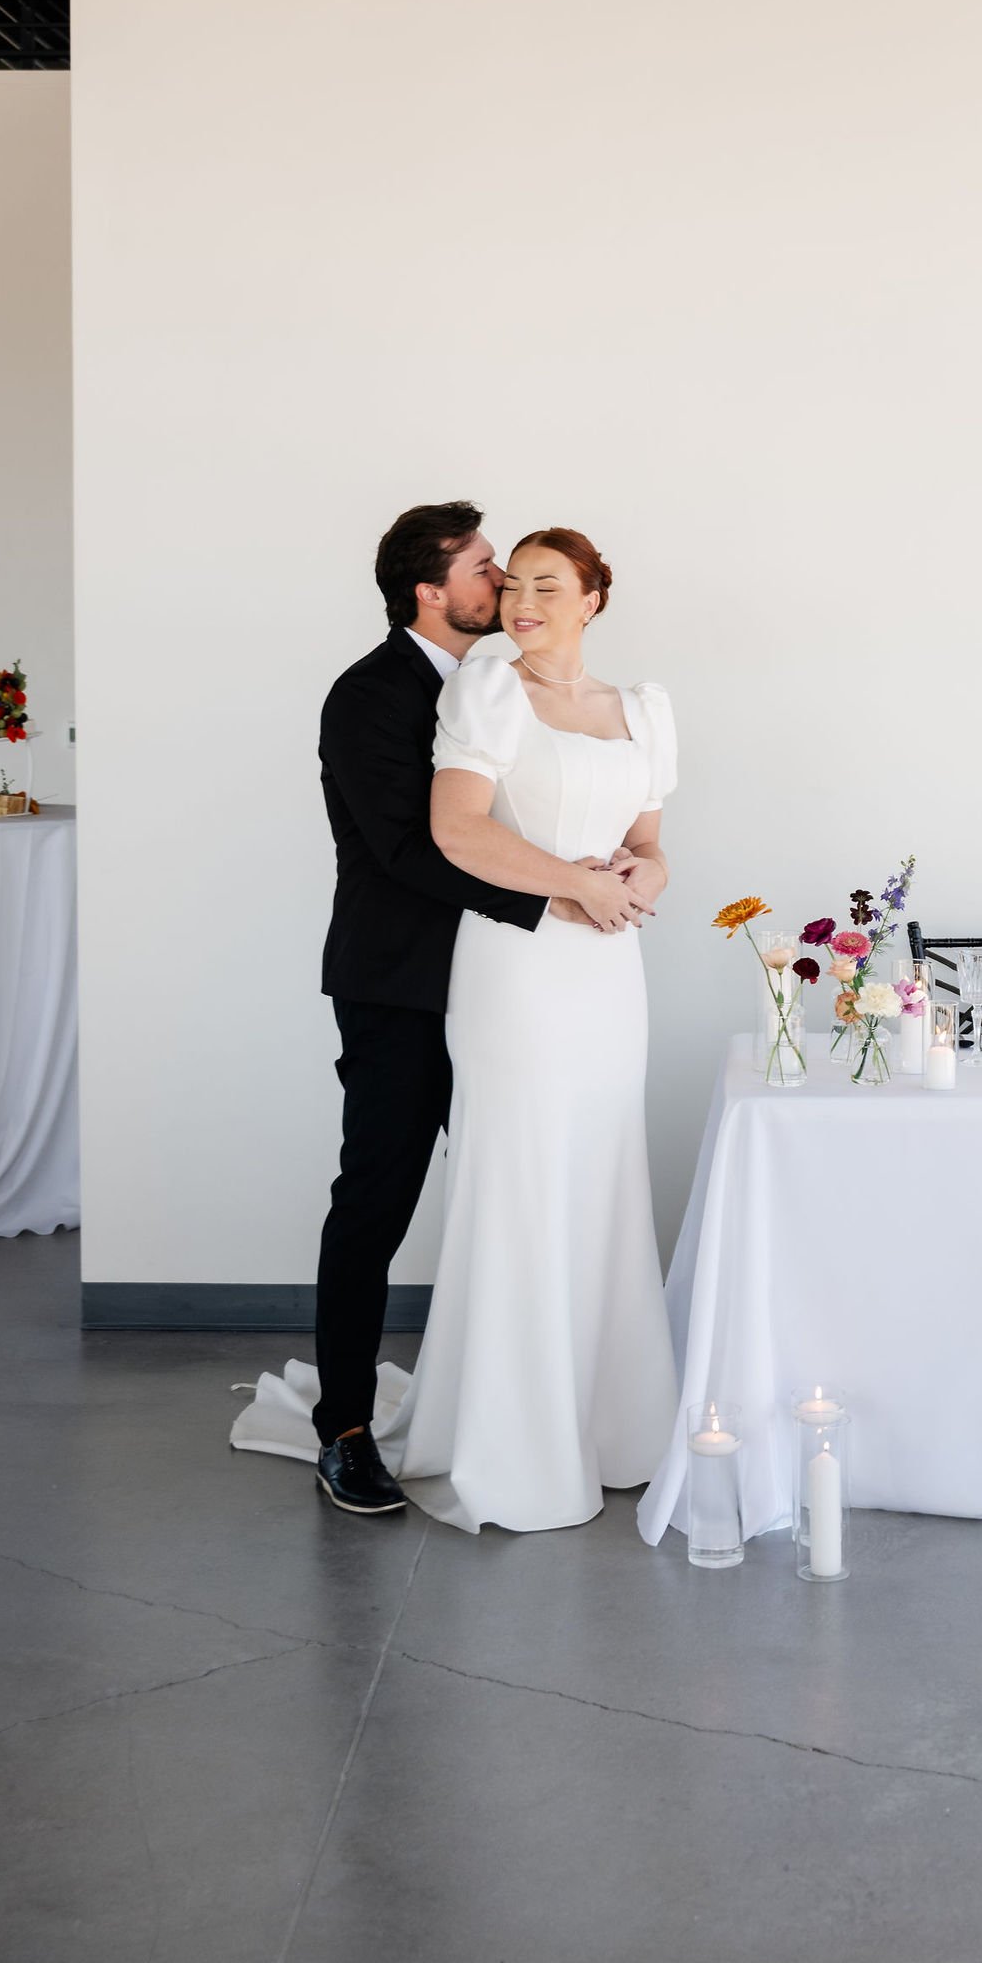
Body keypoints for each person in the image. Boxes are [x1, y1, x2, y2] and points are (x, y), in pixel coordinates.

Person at [230, 503, 640, 1516]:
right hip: (404, 988)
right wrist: (554, 896)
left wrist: (603, 867)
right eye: (484, 570)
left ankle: (536, 1415)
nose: (501, 586)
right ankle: (346, 1430)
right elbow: (411, 850)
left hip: (516, 994)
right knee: (376, 1200)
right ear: (430, 589)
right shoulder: (369, 695)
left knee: (528, 1195)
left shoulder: (508, 685)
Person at [397, 525, 680, 1531]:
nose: (522, 603)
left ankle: (609, 1428)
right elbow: (455, 827)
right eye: (511, 586)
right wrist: (573, 888)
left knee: (601, 1174)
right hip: (516, 964)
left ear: (594, 597)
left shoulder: (639, 708)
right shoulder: (485, 689)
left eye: (547, 587)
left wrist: (640, 879)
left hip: (610, 973)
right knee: (521, 1172)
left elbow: (646, 842)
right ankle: (513, 1444)